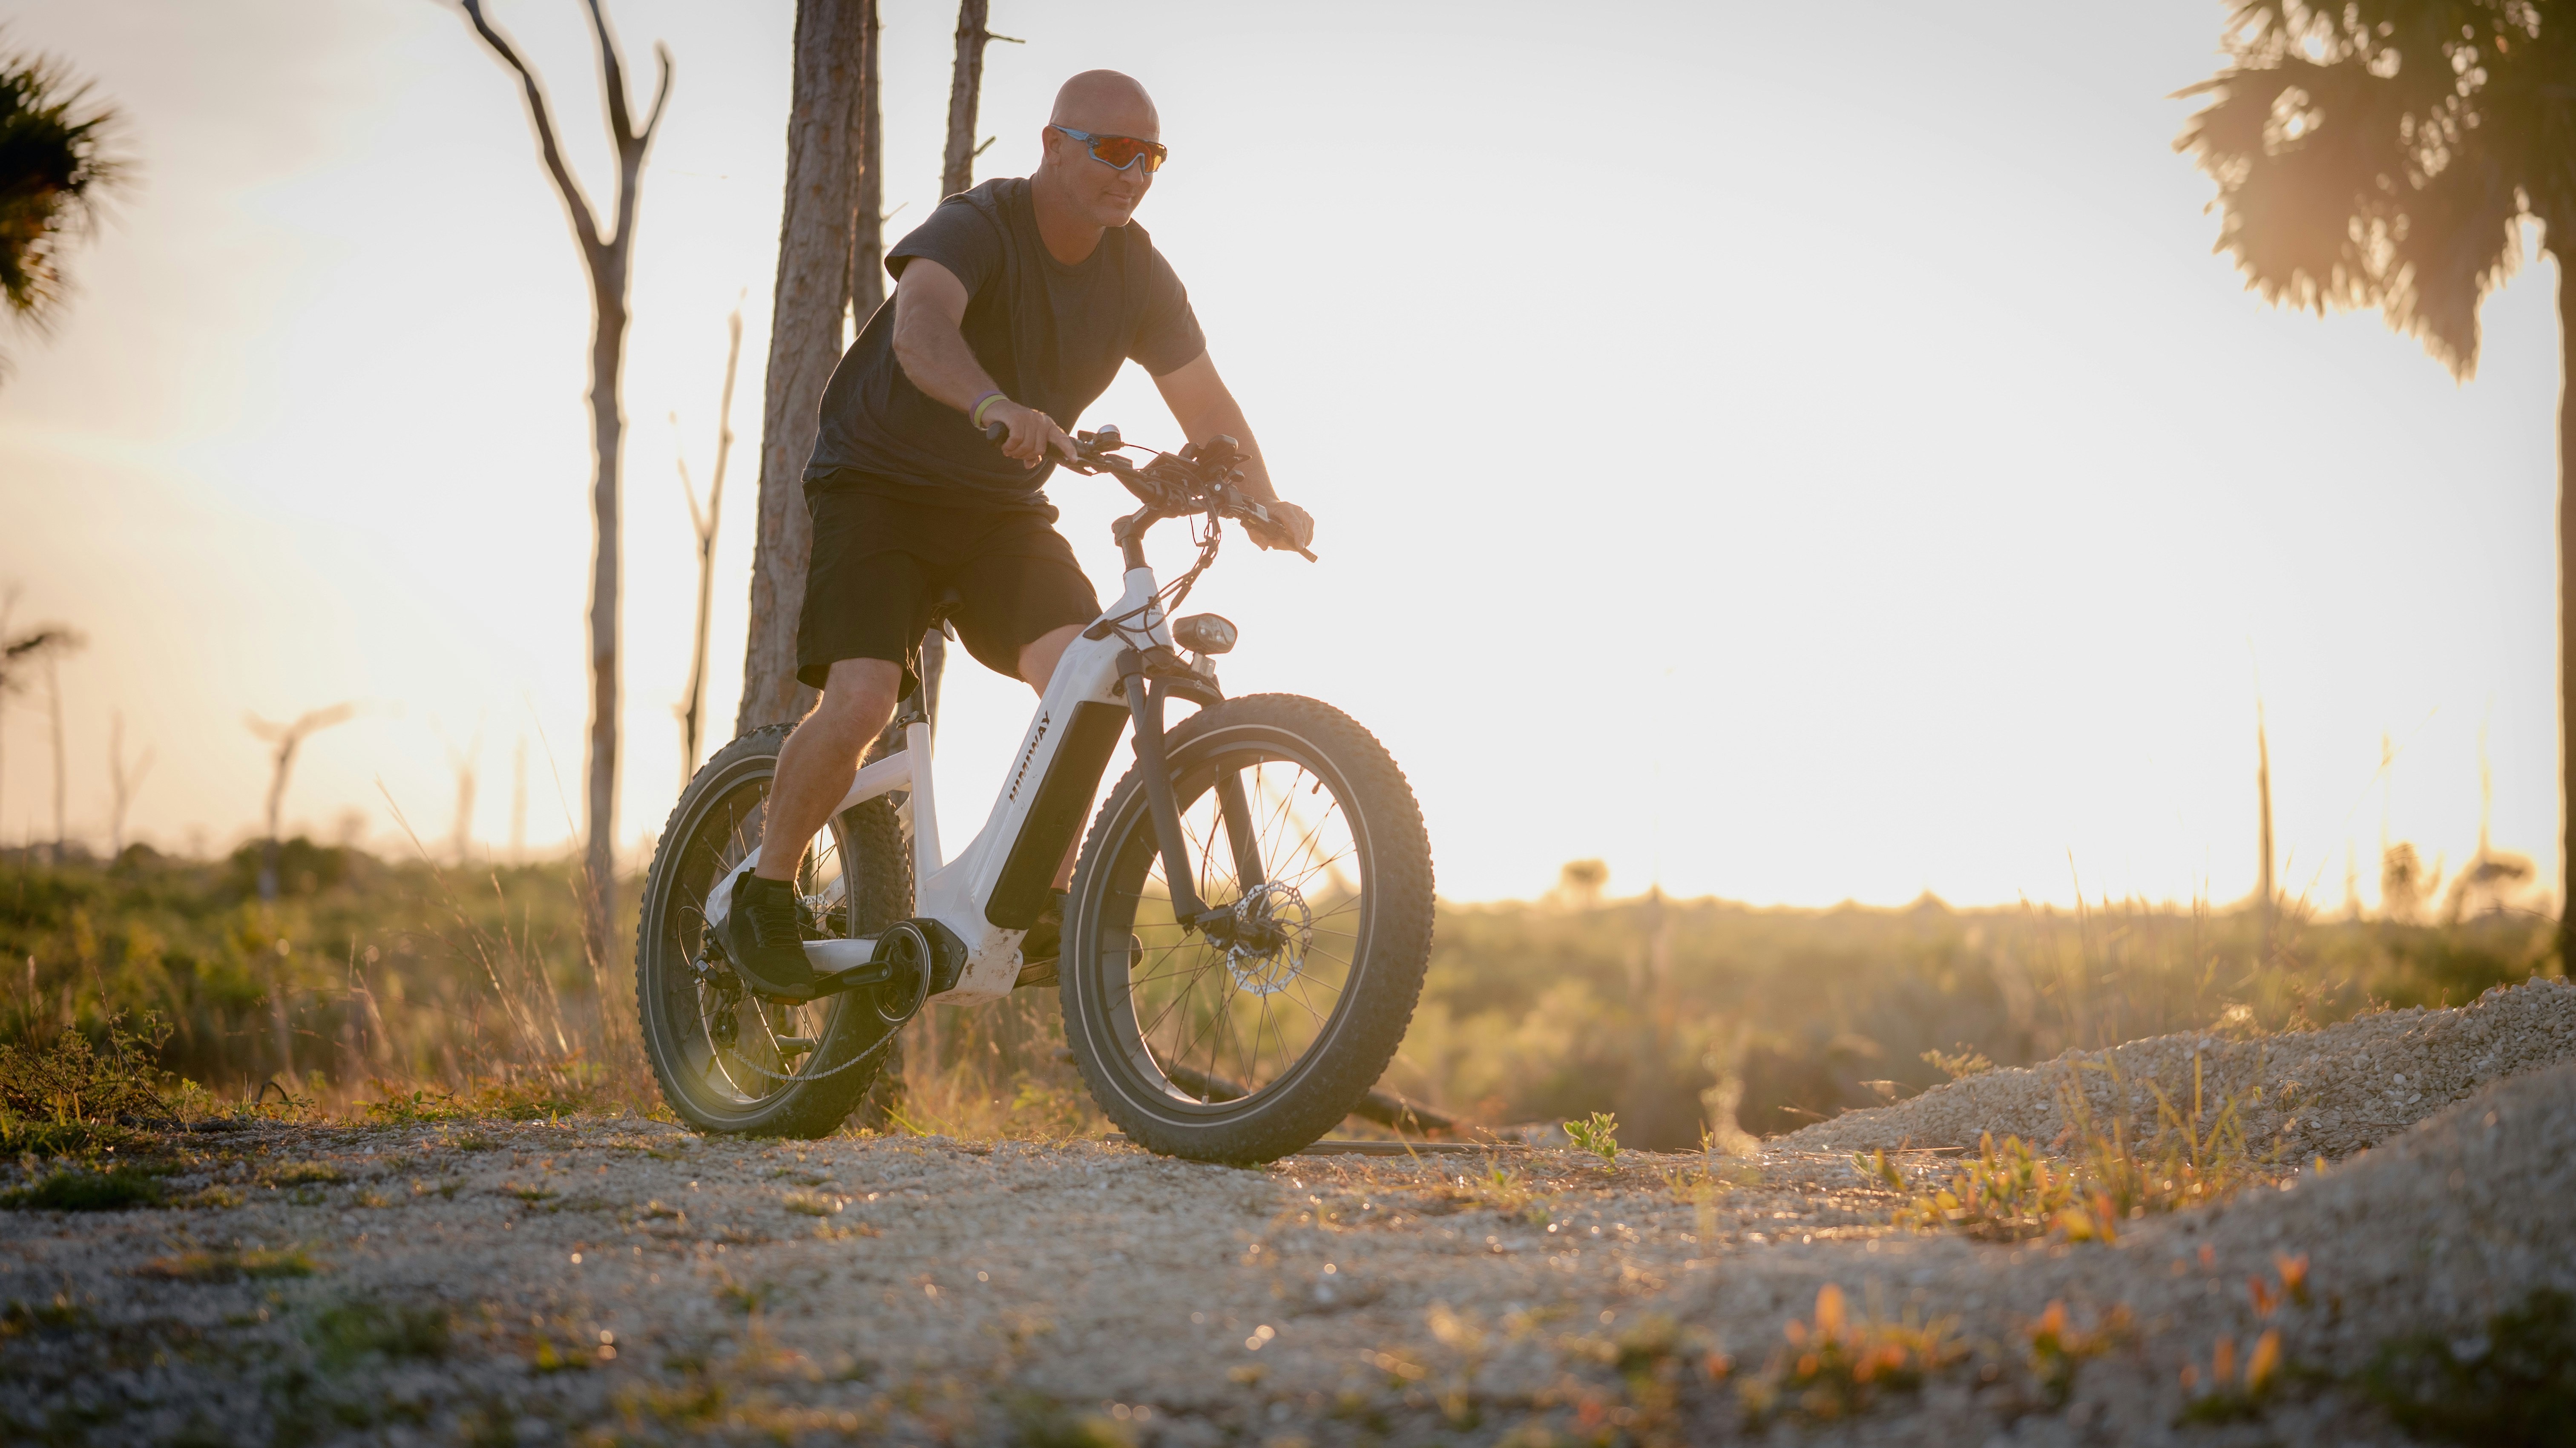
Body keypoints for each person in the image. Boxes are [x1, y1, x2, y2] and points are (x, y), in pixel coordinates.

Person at [720, 69, 1314, 1001]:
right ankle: (762, 892)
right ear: (1052, 146)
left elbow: (1206, 408)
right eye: (1113, 150)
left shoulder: (1138, 272)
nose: (1134, 172)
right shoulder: (979, 224)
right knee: (865, 697)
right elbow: (919, 330)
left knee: (1089, 666)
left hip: (998, 511)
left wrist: (1266, 503)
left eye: (1151, 156)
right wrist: (993, 402)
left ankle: (1043, 896)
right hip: (881, 487)